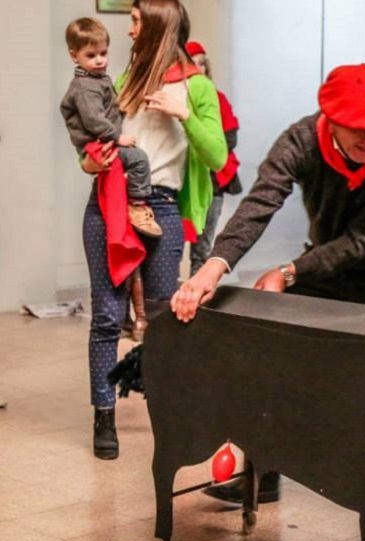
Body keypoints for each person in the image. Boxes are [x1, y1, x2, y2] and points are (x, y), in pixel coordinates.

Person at [172, 64, 365, 505]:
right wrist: (212, 267)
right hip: (324, 265)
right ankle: (265, 472)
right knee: (274, 355)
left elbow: (364, 240)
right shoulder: (301, 139)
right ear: (331, 122)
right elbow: (260, 201)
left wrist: (290, 272)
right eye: (358, 131)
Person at [80, 0, 226, 460]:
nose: (128, 31)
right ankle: (104, 415)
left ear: (159, 26)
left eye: (136, 22)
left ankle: (169, 408)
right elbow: (96, 142)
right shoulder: (122, 81)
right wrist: (87, 160)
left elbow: (217, 158)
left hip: (161, 206)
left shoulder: (198, 87)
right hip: (109, 203)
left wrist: (184, 113)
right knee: (107, 316)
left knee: (165, 319)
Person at [61, 17, 160, 238]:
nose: (99, 60)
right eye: (91, 55)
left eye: (103, 53)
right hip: (97, 144)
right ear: (73, 55)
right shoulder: (85, 87)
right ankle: (137, 204)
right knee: (138, 158)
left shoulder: (98, 79)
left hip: (101, 142)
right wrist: (118, 137)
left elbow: (110, 109)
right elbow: (94, 119)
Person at [186, 40, 243, 276]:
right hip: (183, 182)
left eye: (202, 64)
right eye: (193, 64)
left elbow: (230, 141)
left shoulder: (218, 99)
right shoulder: (176, 99)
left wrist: (202, 142)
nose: (199, 69)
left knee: (202, 248)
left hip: (213, 181)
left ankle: (197, 301)